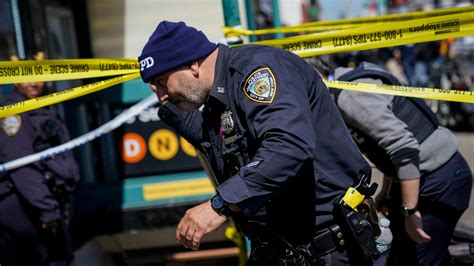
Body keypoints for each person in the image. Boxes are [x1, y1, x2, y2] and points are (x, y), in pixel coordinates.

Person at [138, 21, 386, 265]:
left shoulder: (257, 70)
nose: (161, 96)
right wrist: (170, 109)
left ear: (192, 65)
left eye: (162, 82)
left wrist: (219, 205)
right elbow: (209, 139)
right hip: (283, 250)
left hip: (328, 249)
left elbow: (288, 146)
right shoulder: (218, 98)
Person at [331, 61, 472, 266]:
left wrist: (410, 212)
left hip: (439, 177)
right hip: (422, 177)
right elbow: (388, 145)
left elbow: (404, 148)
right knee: (398, 257)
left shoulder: (351, 96)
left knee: (420, 260)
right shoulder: (353, 81)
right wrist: (386, 193)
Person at [0, 52, 80, 265]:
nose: (35, 82)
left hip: (49, 201)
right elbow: (22, 168)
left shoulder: (44, 106)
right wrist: (47, 211)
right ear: (15, 79)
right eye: (28, 75)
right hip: (27, 208)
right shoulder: (13, 113)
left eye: (39, 74)